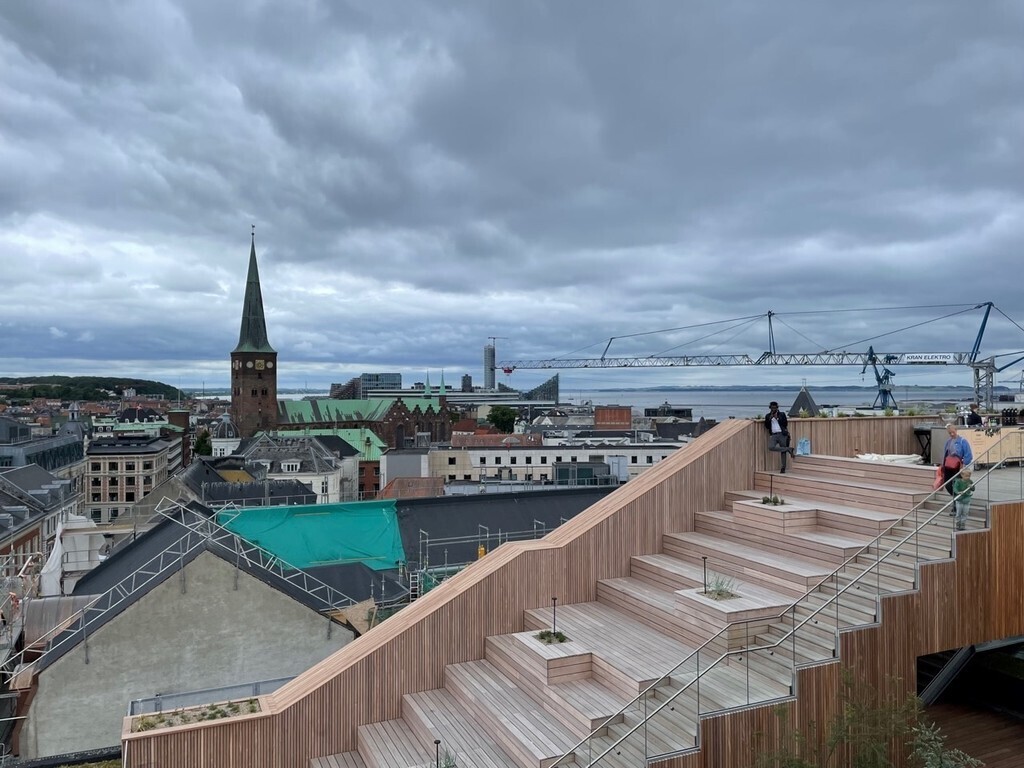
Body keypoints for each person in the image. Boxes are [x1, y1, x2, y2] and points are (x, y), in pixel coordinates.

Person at [941, 424, 973, 497]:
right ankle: (956, 497)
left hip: (958, 467)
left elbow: (968, 455)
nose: (952, 434)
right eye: (950, 433)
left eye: (953, 432)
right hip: (948, 466)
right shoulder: (948, 442)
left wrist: (964, 464)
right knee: (947, 484)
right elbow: (945, 454)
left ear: (956, 431)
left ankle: (957, 500)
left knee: (957, 484)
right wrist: (942, 465)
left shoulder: (963, 441)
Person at [764, 401, 796, 473]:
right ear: (770, 408)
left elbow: (785, 424)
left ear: (777, 408)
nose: (773, 409)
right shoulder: (768, 416)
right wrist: (770, 419)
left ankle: (783, 468)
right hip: (774, 435)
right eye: (772, 408)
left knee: (783, 452)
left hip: (782, 434)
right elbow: (767, 426)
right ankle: (788, 449)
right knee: (771, 447)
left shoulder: (782, 414)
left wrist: (777, 418)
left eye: (775, 408)